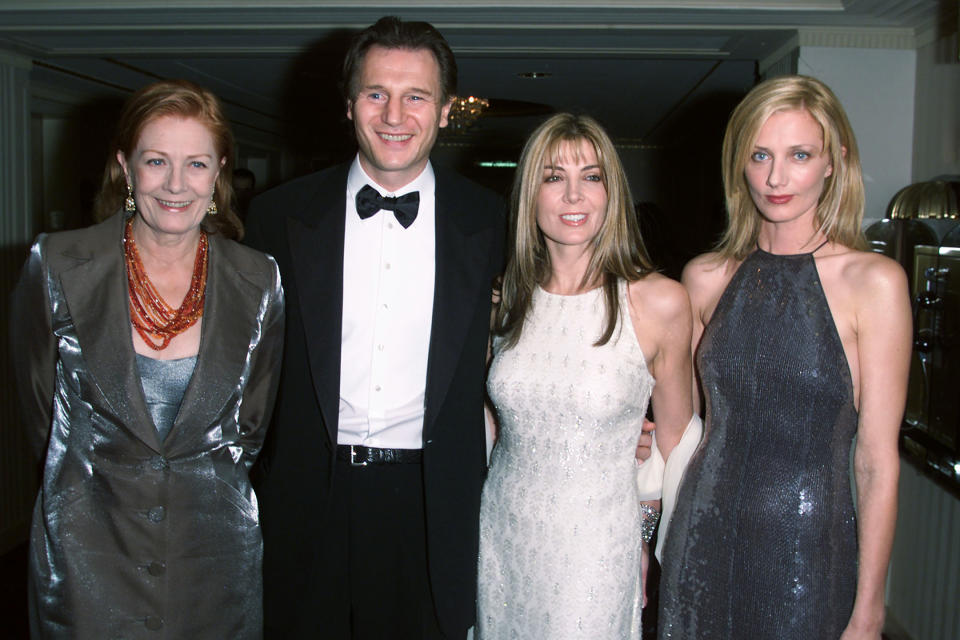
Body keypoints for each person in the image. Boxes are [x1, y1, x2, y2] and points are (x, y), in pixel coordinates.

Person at [244, 17, 505, 639]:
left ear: (445, 111)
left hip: (432, 502)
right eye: (375, 94)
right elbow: (244, 363)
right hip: (309, 496)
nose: (395, 114)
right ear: (348, 104)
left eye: (416, 96)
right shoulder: (278, 215)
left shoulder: (495, 221)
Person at [10, 79, 285, 639]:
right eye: (156, 161)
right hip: (89, 556)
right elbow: (38, 413)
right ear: (125, 166)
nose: (177, 184)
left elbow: (251, 428)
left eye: (197, 164)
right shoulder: (58, 264)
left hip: (214, 560)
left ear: (219, 173)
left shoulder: (259, 279)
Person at [658, 75, 911, 639]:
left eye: (799, 155)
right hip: (700, 541)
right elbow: (691, 425)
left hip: (809, 556)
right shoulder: (704, 277)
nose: (776, 178)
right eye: (760, 155)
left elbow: (875, 462)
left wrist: (869, 611)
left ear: (833, 162)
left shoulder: (874, 283)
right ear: (738, 163)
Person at [477, 113, 694, 638]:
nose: (574, 195)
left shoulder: (657, 301)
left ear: (611, 192)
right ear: (530, 194)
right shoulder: (504, 299)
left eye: (591, 177)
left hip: (595, 545)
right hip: (502, 535)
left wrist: (645, 539)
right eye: (554, 178)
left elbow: (678, 443)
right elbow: (491, 426)